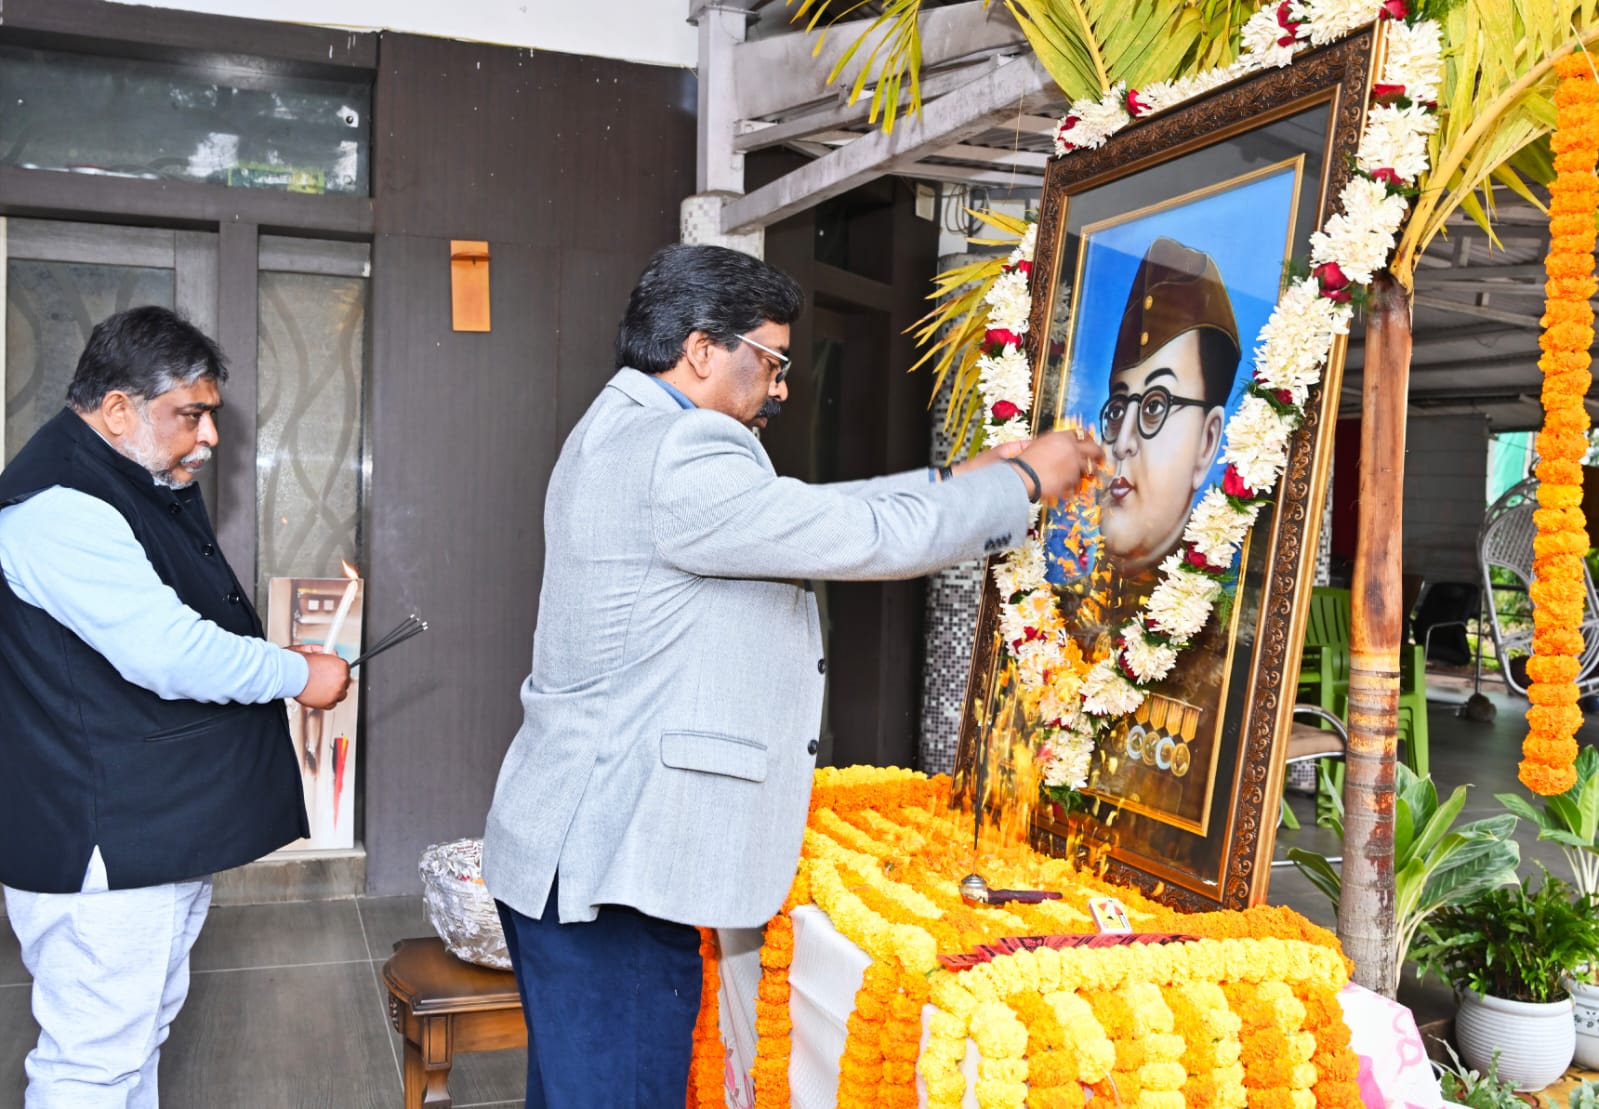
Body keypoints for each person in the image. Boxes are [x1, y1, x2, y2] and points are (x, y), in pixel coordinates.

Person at [481, 243, 1103, 1108]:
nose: (779, 386)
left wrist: (964, 475)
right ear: (702, 350)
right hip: (610, 864)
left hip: (580, 848)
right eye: (768, 361)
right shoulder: (680, 447)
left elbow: (815, 509)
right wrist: (1028, 483)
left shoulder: (626, 427)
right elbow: (856, 536)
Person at [0, 306, 351, 1108]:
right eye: (188, 414)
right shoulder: (60, 506)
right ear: (118, 408)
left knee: (136, 1040)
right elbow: (168, 650)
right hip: (102, 843)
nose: (209, 437)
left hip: (148, 835)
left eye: (210, 414)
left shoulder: (130, 480)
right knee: (93, 1062)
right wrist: (297, 672)